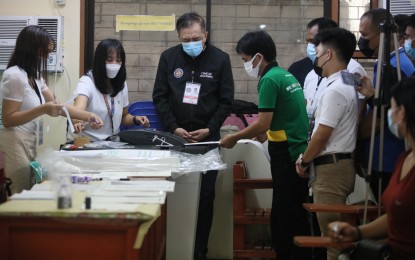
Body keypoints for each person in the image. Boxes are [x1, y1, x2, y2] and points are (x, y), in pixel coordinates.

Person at [220, 30, 311, 260]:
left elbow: (263, 121)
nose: (245, 64)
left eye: (244, 59)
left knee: (284, 214)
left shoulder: (269, 79)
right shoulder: (285, 75)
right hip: (297, 148)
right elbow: (284, 117)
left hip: (287, 153)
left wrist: (235, 137)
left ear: (258, 57)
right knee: (294, 211)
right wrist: (265, 133)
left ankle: (289, 255)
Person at [152, 12, 234, 260]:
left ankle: (199, 252)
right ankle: (175, 250)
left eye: (196, 38)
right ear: (179, 37)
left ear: (205, 35)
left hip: (208, 142)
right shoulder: (169, 58)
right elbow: (160, 97)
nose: (191, 43)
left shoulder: (220, 59)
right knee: (176, 197)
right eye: (186, 39)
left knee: (205, 198)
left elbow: (226, 100)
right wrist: (174, 126)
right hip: (176, 141)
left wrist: (210, 127)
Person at [0, 25, 103, 194]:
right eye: (45, 52)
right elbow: (8, 119)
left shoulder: (35, 76)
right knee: (18, 190)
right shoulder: (15, 76)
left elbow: (58, 106)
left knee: (28, 185)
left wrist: (88, 116)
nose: (47, 57)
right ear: (32, 49)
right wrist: (43, 109)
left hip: (27, 139)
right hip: (13, 140)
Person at [329, 77, 415, 260]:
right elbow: (396, 216)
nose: (389, 115)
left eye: (391, 108)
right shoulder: (405, 159)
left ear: (402, 113)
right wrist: (357, 232)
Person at [295, 27, 359, 260]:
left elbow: (322, 135)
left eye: (318, 51)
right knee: (332, 237)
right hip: (335, 166)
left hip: (331, 168)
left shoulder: (335, 89)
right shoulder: (345, 81)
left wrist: (304, 159)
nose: (316, 57)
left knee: (333, 240)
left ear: (329, 55)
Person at [358, 8, 415, 198]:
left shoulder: (397, 67)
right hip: (378, 157)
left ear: (382, 34)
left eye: (365, 35)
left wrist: (357, 137)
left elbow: (382, 115)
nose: (362, 41)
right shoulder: (383, 63)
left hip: (388, 158)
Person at [72, 39, 149, 141]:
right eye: (109, 59)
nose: (114, 64)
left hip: (112, 143)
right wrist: (78, 121)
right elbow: (77, 111)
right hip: (88, 142)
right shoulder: (87, 82)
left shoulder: (121, 84)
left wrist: (135, 119)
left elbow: (123, 116)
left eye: (118, 60)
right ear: (99, 60)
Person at [288, 18, 337, 88]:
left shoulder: (348, 69)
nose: (310, 45)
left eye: (313, 41)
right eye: (308, 41)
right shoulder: (296, 69)